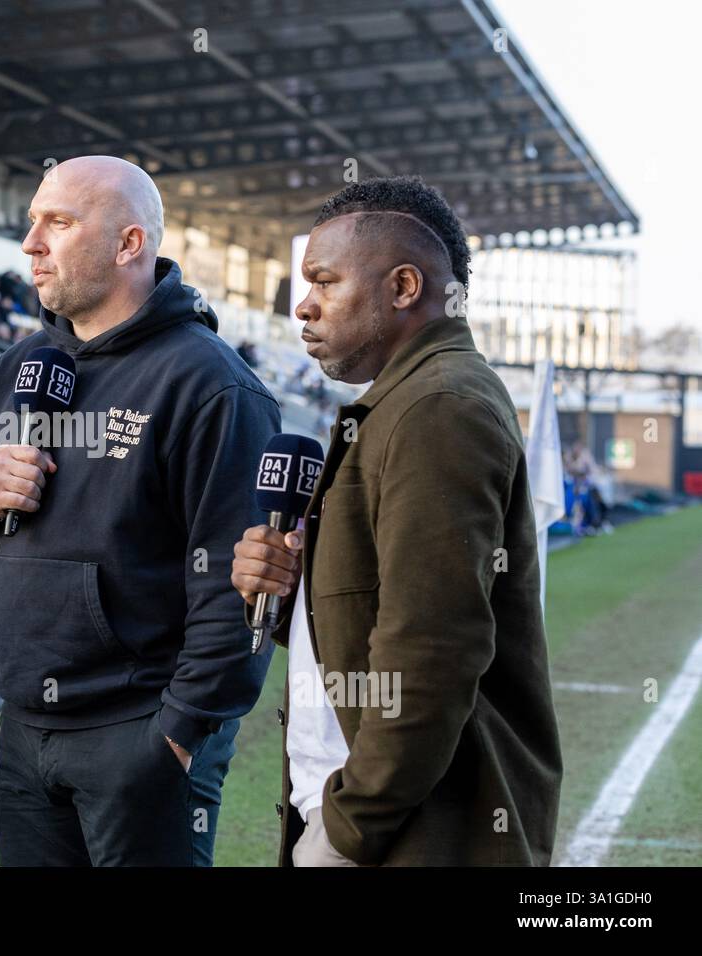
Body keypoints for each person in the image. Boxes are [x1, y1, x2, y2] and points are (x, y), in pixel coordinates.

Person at [0, 156, 279, 866]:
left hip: (143, 733)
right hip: (24, 733)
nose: (31, 243)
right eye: (31, 222)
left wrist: (178, 734)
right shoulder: (17, 370)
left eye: (57, 222)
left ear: (129, 245)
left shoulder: (211, 385)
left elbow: (241, 592)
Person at [230, 176, 562, 866]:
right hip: (365, 815)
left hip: (402, 833)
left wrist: (353, 824)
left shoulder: (437, 407)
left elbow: (433, 646)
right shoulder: (405, 400)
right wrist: (292, 598)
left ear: (403, 287)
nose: (304, 305)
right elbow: (377, 621)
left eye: (324, 281)